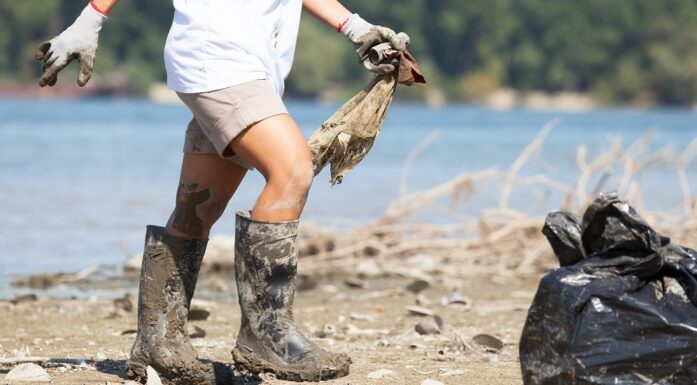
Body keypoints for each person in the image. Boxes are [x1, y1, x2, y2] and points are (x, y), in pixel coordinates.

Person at [36, 0, 409, 383]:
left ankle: (158, 343)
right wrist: (91, 18)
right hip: (218, 59)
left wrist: (355, 27)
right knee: (292, 168)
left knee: (199, 204)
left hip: (244, 64)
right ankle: (268, 335)